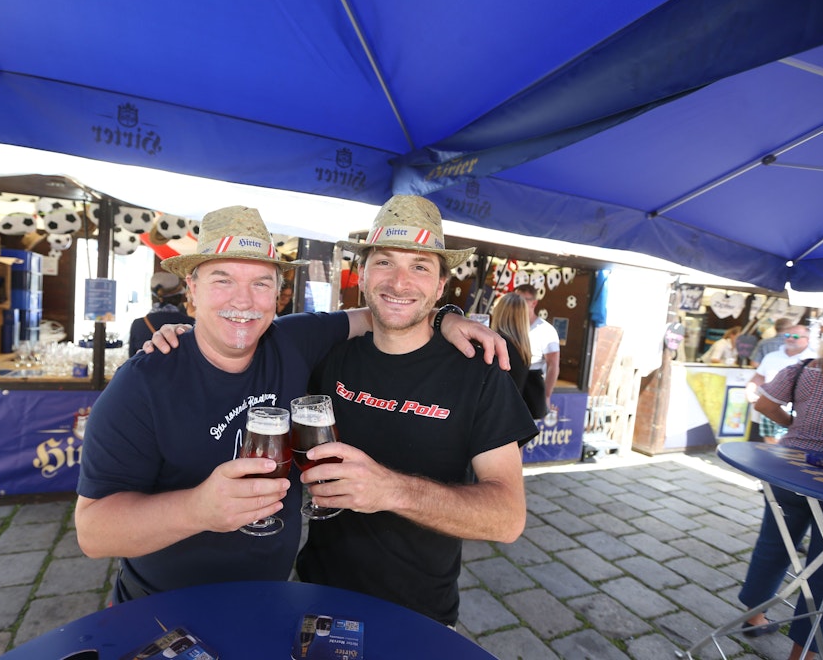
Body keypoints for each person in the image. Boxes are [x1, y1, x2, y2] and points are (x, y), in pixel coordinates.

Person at [76, 205, 509, 605]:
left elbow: (384, 312)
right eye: (222, 279)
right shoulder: (144, 382)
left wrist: (445, 316)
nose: (242, 301)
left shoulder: (295, 340)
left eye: (260, 282)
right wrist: (198, 509)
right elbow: (93, 533)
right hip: (162, 611)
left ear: (279, 294)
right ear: (192, 288)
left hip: (273, 602)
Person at [294, 195, 538, 627]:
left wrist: (391, 490)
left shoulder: (478, 374)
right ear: (363, 274)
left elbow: (507, 517)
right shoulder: (330, 357)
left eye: (420, 266)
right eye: (385, 262)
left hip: (419, 617)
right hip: (319, 597)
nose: (400, 282)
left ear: (441, 286)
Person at [739, 313, 823, 659]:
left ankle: (754, 615)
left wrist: (794, 424)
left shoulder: (804, 370)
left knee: (774, 544)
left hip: (788, 472)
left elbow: (762, 402)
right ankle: (803, 653)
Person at [744, 324, 816, 443]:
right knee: (766, 448)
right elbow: (757, 378)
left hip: (796, 415)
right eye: (787, 335)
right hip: (768, 411)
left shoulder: (814, 360)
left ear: (807, 339)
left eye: (796, 336)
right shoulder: (771, 356)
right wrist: (750, 392)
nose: (790, 338)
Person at [490, 292, 547, 419]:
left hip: (493, 419)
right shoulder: (523, 348)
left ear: (500, 313)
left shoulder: (498, 344)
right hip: (512, 420)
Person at [515, 283, 560, 413]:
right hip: (511, 384)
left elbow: (553, 365)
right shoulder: (510, 326)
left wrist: (546, 395)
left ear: (533, 303)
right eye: (515, 299)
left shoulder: (546, 331)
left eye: (523, 300)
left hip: (531, 385)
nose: (518, 304)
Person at [127, 271, 194, 357]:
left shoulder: (138, 325)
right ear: (178, 297)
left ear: (153, 296)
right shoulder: (191, 324)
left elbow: (131, 361)